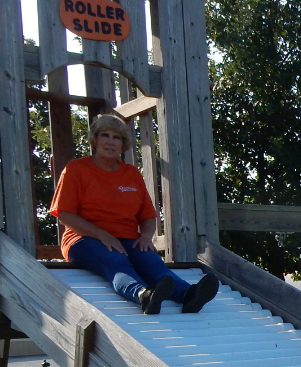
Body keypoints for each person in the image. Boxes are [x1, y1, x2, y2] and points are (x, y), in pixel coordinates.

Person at [50, 114, 218, 314]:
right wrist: (102, 235)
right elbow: (66, 215)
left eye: (117, 137)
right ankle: (144, 296)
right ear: (95, 140)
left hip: (128, 238)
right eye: (105, 135)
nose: (110, 142)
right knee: (116, 261)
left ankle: (189, 296)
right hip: (84, 238)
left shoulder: (131, 173)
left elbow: (147, 215)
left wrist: (146, 236)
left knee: (152, 262)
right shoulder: (76, 169)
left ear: (124, 144)